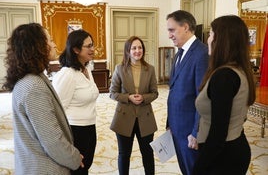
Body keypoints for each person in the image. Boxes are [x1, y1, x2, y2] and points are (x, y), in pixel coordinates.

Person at [2, 23, 83, 174]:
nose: (54, 44)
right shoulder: (34, 86)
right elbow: (52, 140)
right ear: (37, 46)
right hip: (44, 167)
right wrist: (74, 158)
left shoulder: (30, 79)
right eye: (50, 40)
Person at [193, 15, 256, 175]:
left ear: (222, 40)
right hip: (234, 146)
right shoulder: (240, 70)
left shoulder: (224, 76)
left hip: (222, 157)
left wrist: (199, 167)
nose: (208, 39)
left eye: (211, 34)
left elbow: (218, 133)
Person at [166, 10, 209, 175]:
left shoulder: (201, 54)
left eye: (172, 30)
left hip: (190, 131)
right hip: (177, 127)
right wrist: (170, 123)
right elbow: (175, 90)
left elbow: (202, 97)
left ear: (185, 27)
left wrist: (196, 132)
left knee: (194, 170)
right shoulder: (179, 53)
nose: (169, 35)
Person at [52, 29, 99, 175]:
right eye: (89, 46)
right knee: (77, 169)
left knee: (86, 166)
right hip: (75, 131)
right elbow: (56, 110)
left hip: (90, 127)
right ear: (76, 49)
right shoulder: (67, 74)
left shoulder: (86, 69)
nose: (93, 49)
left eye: (93, 45)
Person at [109, 36, 158, 175]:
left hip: (145, 117)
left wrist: (144, 98)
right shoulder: (119, 69)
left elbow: (155, 93)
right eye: (134, 48)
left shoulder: (150, 69)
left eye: (140, 47)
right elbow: (112, 93)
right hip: (124, 117)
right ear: (128, 51)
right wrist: (128, 97)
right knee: (124, 154)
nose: (137, 51)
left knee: (147, 153)